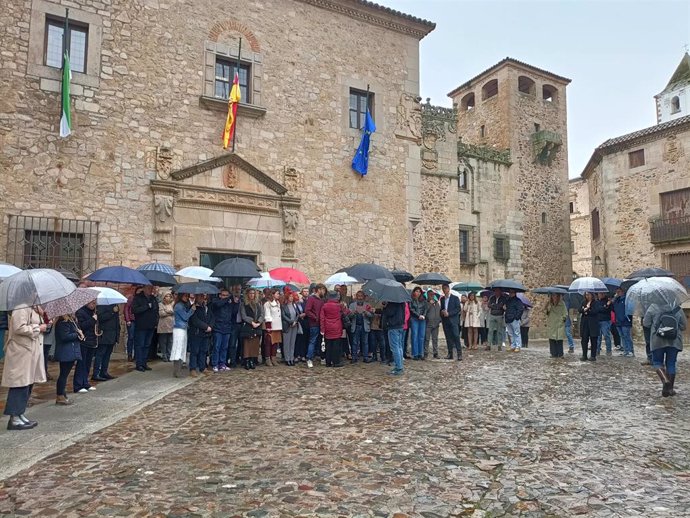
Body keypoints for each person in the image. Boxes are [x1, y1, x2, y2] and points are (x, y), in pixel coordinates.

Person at [2, 306, 46, 430]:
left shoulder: (34, 308)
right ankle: (14, 417)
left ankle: (20, 413)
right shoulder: (21, 307)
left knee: (27, 384)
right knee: (19, 384)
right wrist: (38, 327)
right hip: (21, 351)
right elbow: (18, 328)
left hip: (30, 351)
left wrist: (44, 319)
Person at [644, 303, 686, 397]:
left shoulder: (653, 307)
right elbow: (683, 326)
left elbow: (646, 323)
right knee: (671, 363)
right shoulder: (677, 308)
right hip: (674, 341)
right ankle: (670, 389)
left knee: (657, 362)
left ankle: (665, 381)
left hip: (657, 340)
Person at [53, 313, 83, 405]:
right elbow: (64, 337)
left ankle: (63, 394)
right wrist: (77, 334)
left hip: (70, 351)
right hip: (65, 352)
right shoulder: (62, 322)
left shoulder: (71, 321)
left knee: (65, 374)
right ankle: (60, 395)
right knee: (63, 374)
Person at [132, 285, 159, 372]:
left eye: (151, 288)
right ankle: (139, 364)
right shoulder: (138, 298)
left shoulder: (153, 298)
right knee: (140, 345)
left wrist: (156, 322)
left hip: (150, 325)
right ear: (144, 289)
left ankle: (144, 362)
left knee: (147, 345)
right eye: (148, 288)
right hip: (141, 325)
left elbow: (156, 310)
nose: (150, 290)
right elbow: (135, 310)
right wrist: (146, 306)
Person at [92, 303, 120, 381]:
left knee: (107, 355)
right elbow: (100, 317)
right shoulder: (101, 305)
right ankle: (96, 373)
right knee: (100, 354)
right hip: (104, 334)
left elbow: (116, 320)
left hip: (113, 334)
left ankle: (104, 372)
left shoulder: (115, 305)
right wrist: (112, 312)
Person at [75, 301, 99, 392]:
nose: (94, 305)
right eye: (92, 303)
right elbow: (82, 326)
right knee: (81, 364)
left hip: (92, 340)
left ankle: (85, 383)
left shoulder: (93, 312)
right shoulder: (81, 312)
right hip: (84, 341)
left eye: (95, 303)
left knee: (88, 364)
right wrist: (92, 320)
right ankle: (78, 385)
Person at [170, 293, 195, 377]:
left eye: (187, 296)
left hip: (183, 328)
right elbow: (185, 316)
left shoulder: (182, 305)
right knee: (178, 348)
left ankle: (178, 370)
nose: (187, 297)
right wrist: (192, 310)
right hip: (178, 329)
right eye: (185, 296)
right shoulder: (178, 306)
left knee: (182, 348)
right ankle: (176, 371)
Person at [188, 294, 214, 375]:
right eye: (200, 296)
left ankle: (202, 368)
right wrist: (206, 327)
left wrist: (210, 326)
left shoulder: (206, 307)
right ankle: (193, 368)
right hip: (196, 333)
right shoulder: (193, 307)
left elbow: (212, 317)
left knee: (203, 351)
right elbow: (195, 320)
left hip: (205, 333)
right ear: (196, 297)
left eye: (203, 297)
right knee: (195, 351)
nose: (202, 298)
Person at [240, 288, 264, 370]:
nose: (252, 295)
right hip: (248, 326)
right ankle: (247, 360)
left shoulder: (258, 304)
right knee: (247, 344)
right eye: (250, 293)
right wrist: (251, 322)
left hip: (257, 326)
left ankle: (252, 360)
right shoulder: (244, 304)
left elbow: (262, 314)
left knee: (255, 344)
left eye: (253, 293)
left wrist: (258, 322)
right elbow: (243, 316)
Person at [320, 291, 345, 367]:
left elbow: (322, 318)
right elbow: (345, 313)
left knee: (328, 346)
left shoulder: (324, 306)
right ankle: (336, 362)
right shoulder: (339, 306)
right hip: (337, 327)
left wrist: (322, 329)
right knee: (336, 346)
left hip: (327, 327)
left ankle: (328, 362)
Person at [210, 288, 233, 370]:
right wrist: (227, 299)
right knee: (216, 346)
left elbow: (234, 312)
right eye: (223, 295)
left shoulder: (229, 303)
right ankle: (215, 363)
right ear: (220, 295)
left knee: (224, 347)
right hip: (218, 327)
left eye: (227, 295)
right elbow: (218, 305)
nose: (225, 297)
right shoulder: (216, 301)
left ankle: (222, 363)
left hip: (227, 327)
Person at [305, 284, 326, 368]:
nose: (324, 292)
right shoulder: (311, 299)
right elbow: (307, 310)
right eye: (323, 290)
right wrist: (315, 317)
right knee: (312, 341)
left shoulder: (322, 300)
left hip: (322, 323)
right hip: (314, 324)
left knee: (322, 342)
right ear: (319, 290)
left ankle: (322, 357)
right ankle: (309, 358)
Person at [348, 290, 373, 363]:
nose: (360, 298)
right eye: (358, 296)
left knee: (365, 342)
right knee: (355, 342)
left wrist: (366, 312)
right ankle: (354, 357)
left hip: (364, 326)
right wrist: (353, 313)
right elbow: (349, 316)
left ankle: (365, 357)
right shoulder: (352, 305)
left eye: (361, 296)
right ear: (356, 297)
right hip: (355, 326)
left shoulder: (367, 305)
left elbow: (371, 315)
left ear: (364, 297)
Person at [382, 300, 406, 375]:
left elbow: (390, 312)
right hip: (400, 326)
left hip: (393, 326)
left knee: (395, 348)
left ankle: (399, 368)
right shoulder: (402, 302)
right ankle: (399, 365)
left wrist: (385, 307)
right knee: (399, 347)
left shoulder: (392, 302)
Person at [440, 284, 462, 361]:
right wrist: (442, 312)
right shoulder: (442, 299)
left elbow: (458, 309)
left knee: (456, 336)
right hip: (445, 321)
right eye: (443, 289)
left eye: (445, 288)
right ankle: (450, 353)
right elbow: (442, 308)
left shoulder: (455, 298)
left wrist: (449, 313)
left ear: (448, 289)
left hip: (453, 320)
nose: (444, 290)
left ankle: (459, 354)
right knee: (448, 337)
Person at [579, 292, 602, 362]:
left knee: (593, 340)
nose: (587, 296)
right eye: (586, 295)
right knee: (584, 340)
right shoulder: (583, 302)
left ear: (592, 295)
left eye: (588, 295)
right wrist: (584, 310)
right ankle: (584, 355)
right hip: (585, 323)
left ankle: (593, 356)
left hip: (593, 324)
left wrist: (587, 310)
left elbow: (595, 311)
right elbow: (579, 309)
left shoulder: (596, 303)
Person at [263, 288, 283, 367]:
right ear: (273, 294)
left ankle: (273, 358)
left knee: (275, 343)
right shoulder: (267, 304)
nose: (278, 295)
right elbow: (267, 315)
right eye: (277, 293)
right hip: (271, 326)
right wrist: (268, 326)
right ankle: (267, 359)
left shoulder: (278, 303)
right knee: (268, 343)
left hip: (277, 326)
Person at [612, 288, 634, 357]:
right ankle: (625, 350)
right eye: (616, 292)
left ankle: (630, 351)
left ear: (623, 292)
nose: (617, 293)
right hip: (618, 321)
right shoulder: (616, 300)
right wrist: (614, 299)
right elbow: (613, 308)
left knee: (627, 336)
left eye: (619, 292)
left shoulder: (627, 300)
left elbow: (631, 309)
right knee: (622, 336)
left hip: (626, 321)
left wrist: (626, 316)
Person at [408, 287, 428, 360]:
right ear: (414, 292)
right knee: (414, 336)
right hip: (415, 319)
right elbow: (411, 309)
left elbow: (426, 308)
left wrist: (423, 315)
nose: (418, 293)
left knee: (421, 336)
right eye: (416, 291)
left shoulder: (423, 300)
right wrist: (418, 315)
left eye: (419, 292)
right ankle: (415, 353)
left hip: (422, 319)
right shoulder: (411, 300)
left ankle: (421, 353)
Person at [545, 293, 567, 358]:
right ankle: (553, 353)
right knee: (552, 339)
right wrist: (547, 307)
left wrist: (562, 319)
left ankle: (560, 354)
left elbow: (565, 313)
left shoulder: (562, 303)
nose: (554, 297)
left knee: (559, 339)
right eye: (552, 295)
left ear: (558, 296)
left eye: (555, 295)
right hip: (552, 323)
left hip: (559, 324)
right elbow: (546, 312)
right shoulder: (550, 303)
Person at [282, 292, 300, 366]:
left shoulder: (294, 305)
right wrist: (291, 322)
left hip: (294, 326)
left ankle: (291, 358)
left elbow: (297, 314)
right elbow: (283, 316)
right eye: (290, 296)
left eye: (292, 296)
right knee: (287, 343)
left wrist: (295, 321)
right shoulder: (283, 306)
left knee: (292, 343)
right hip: (287, 326)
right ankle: (287, 359)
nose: (291, 298)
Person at [424, 289, 442, 359]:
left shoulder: (437, 303)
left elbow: (439, 312)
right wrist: (429, 304)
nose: (432, 296)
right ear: (427, 295)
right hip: (428, 324)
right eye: (430, 295)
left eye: (433, 295)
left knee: (435, 339)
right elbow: (425, 311)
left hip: (436, 324)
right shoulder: (426, 303)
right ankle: (425, 353)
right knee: (427, 339)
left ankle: (435, 353)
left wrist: (439, 320)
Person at [157, 292, 174, 362]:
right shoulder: (160, 304)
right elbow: (161, 313)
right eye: (167, 296)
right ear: (164, 297)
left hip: (171, 325)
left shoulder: (172, 304)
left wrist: (167, 311)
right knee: (163, 341)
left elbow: (174, 312)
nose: (168, 297)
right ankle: (164, 355)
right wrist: (169, 312)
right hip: (163, 325)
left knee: (170, 341)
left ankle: (169, 355)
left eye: (169, 296)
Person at [294, 291, 308, 363]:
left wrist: (305, 314)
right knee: (297, 340)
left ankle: (303, 355)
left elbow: (307, 310)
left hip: (304, 323)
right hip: (297, 323)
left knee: (303, 339)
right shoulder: (294, 305)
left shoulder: (304, 303)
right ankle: (297, 355)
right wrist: (299, 316)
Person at [124, 294, 136, 362]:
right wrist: (128, 320)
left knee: (137, 339)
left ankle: (136, 355)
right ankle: (129, 354)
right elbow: (126, 308)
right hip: (131, 320)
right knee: (131, 337)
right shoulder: (131, 298)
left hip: (139, 321)